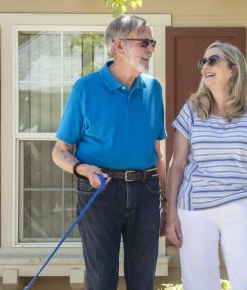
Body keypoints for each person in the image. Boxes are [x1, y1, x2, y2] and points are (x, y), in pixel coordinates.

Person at [52, 15, 167, 290]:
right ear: (119, 46)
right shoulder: (86, 89)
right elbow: (60, 151)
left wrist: (165, 201)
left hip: (147, 192)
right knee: (101, 281)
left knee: (143, 282)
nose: (151, 48)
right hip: (100, 191)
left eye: (152, 42)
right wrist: (82, 168)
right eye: (144, 42)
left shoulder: (153, 89)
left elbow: (158, 153)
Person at [165, 41, 247, 290]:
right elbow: (178, 163)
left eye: (213, 60)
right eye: (203, 61)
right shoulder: (191, 111)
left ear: (233, 69)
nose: (206, 66)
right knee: (199, 285)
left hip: (241, 207)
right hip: (194, 210)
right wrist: (171, 212)